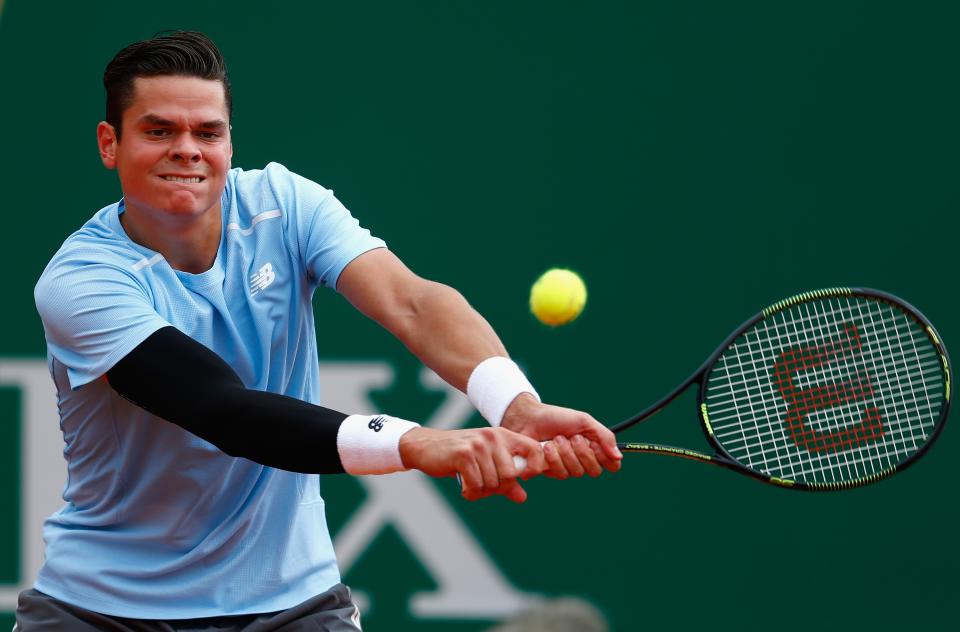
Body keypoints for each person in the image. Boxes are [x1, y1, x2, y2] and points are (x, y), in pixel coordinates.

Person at [19, 31, 621, 631]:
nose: (188, 150)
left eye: (208, 132)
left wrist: (512, 404)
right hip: (100, 610)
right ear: (109, 143)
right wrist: (416, 442)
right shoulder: (81, 281)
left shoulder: (286, 205)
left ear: (230, 141)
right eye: (159, 131)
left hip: (290, 603)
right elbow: (222, 410)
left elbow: (411, 302)